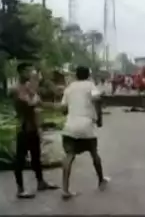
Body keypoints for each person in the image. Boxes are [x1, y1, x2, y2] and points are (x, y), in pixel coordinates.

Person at [59, 66, 109, 200]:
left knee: (69, 156)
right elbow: (97, 99)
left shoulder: (69, 88)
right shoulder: (90, 85)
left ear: (76, 75)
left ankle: (65, 189)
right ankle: (101, 180)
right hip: (86, 125)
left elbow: (63, 108)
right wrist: (99, 118)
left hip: (70, 125)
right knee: (94, 153)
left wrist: (70, 111)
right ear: (88, 75)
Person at [13, 63, 58, 199]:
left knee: (36, 157)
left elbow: (38, 103)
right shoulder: (17, 89)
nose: (30, 73)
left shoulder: (28, 89)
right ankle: (20, 189)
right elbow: (30, 103)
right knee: (20, 159)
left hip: (32, 127)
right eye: (27, 71)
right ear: (21, 72)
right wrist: (33, 92)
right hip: (23, 128)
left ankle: (40, 182)